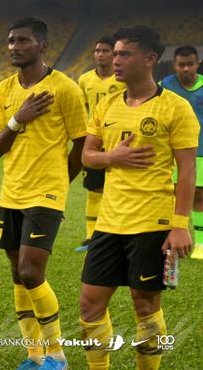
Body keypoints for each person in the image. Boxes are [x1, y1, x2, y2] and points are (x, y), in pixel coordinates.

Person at [79, 26, 198, 370]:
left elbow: (187, 170)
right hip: (109, 222)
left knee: (145, 307)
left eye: (123, 54)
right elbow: (88, 156)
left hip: (152, 222)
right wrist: (112, 158)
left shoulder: (175, 108)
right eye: (114, 53)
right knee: (89, 305)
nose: (115, 60)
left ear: (149, 59)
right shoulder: (106, 104)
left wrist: (179, 226)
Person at [0, 17, 87, 370]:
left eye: (23, 41)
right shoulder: (3, 90)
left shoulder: (65, 88)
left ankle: (57, 355)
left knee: (31, 272)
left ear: (43, 46)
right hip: (11, 194)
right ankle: (33, 356)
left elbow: (82, 142)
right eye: (11, 40)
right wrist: (19, 118)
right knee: (17, 274)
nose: (14, 46)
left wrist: (61, 181)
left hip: (45, 194)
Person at [75, 36, 125, 253]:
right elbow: (83, 107)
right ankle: (91, 236)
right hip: (94, 140)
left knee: (117, 187)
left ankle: (117, 231)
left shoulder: (122, 79)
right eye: (97, 51)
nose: (100, 54)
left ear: (113, 54)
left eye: (105, 51)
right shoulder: (85, 80)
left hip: (117, 140)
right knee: (94, 188)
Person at [161, 45, 203, 260]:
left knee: (199, 196)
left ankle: (201, 245)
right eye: (181, 65)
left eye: (190, 64)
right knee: (173, 193)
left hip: (201, 149)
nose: (186, 69)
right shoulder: (165, 85)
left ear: (198, 64)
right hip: (172, 151)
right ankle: (172, 236)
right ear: (174, 65)